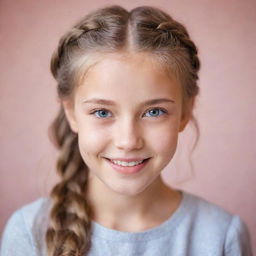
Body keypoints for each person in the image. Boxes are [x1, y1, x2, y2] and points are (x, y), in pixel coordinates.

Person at [0, 5, 252, 256]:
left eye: (154, 111)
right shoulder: (29, 233)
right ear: (71, 113)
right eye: (102, 112)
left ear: (186, 112)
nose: (128, 141)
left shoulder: (222, 236)